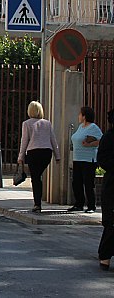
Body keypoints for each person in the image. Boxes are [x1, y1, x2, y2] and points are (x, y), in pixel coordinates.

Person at [18, 101, 60, 213]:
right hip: (46, 153)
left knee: (35, 178)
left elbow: (24, 140)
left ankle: (37, 204)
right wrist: (57, 155)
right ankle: (38, 202)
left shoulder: (26, 124)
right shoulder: (47, 123)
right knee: (38, 175)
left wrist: (21, 156)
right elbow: (53, 139)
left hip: (33, 152)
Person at [68, 106, 103, 213]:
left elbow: (101, 140)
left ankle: (91, 206)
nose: (79, 116)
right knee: (76, 182)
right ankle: (79, 203)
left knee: (88, 183)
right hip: (77, 158)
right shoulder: (80, 127)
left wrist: (90, 144)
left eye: (80, 114)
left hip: (88, 159)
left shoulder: (93, 127)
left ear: (84, 116)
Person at [97, 109, 114, 271]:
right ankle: (105, 256)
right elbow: (102, 159)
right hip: (112, 184)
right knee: (111, 222)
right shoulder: (108, 137)